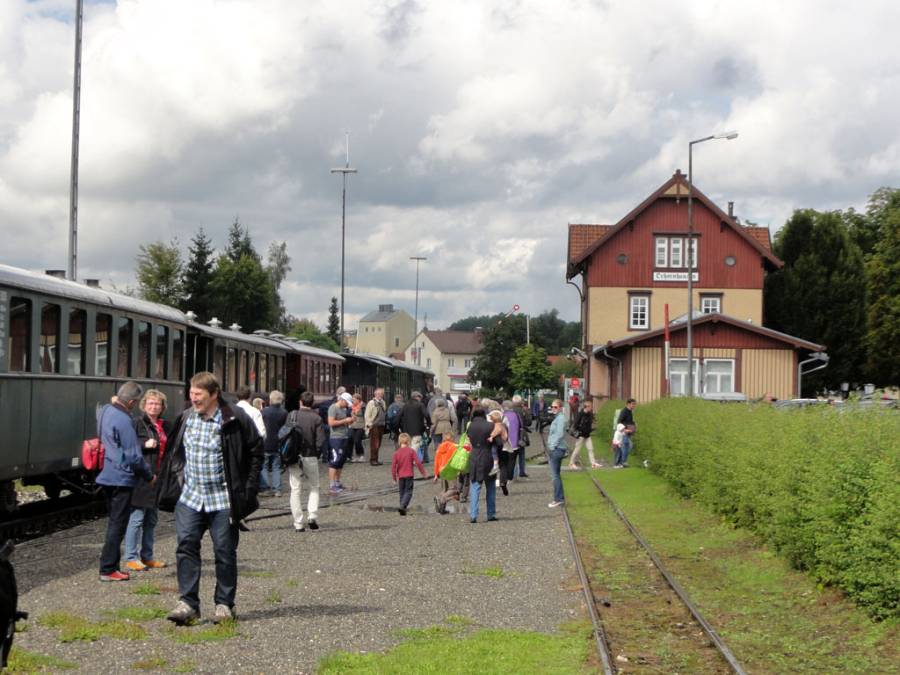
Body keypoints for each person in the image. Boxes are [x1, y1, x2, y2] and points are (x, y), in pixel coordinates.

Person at [159, 372, 263, 625]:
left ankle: (224, 605)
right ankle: (188, 604)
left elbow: (256, 452)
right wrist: (173, 482)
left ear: (214, 394)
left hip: (223, 500)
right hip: (191, 497)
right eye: (191, 394)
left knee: (225, 552)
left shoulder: (235, 419)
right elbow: (174, 452)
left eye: (198, 395)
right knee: (185, 547)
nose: (193, 399)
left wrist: (247, 490)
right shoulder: (185, 418)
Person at [96, 382, 155, 582]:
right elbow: (133, 456)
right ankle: (108, 568)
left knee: (114, 521)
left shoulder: (105, 411)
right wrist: (148, 476)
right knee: (118, 524)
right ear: (131, 401)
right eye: (135, 402)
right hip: (121, 477)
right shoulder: (124, 419)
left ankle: (108, 565)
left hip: (106, 474)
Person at [124, 389, 170, 572]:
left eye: (157, 404)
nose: (154, 406)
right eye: (150, 403)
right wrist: (144, 444)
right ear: (144, 405)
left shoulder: (164, 425)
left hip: (158, 476)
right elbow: (126, 446)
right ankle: (131, 557)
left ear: (162, 407)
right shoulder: (137, 423)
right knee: (136, 518)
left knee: (152, 519)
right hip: (141, 477)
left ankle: (148, 556)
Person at [285, 391, 325, 531]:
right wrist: (316, 454)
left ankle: (298, 523)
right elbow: (320, 441)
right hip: (310, 456)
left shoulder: (292, 415)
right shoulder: (316, 418)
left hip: (294, 457)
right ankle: (312, 516)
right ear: (312, 403)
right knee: (314, 486)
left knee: (295, 489)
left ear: (300, 402)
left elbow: (285, 435)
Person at [467, 407, 498, 523]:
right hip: (487, 456)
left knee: (475, 486)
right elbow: (496, 441)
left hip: (474, 456)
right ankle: (491, 514)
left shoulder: (470, 426)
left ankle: (473, 515)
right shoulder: (490, 425)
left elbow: (470, 439)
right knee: (490, 486)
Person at [391, 433, 426, 516]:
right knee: (408, 492)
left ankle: (402, 507)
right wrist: (423, 473)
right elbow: (418, 463)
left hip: (401, 476)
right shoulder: (411, 451)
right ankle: (403, 506)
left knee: (402, 492)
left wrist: (394, 478)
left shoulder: (396, 453)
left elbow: (393, 467)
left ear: (399, 442)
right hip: (409, 475)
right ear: (408, 441)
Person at [260, 390, 288, 497]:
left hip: (265, 443)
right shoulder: (284, 412)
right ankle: (277, 489)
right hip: (277, 444)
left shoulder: (264, 412)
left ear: (270, 400)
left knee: (264, 467)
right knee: (276, 467)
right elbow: (285, 429)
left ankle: (266, 487)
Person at [327, 392, 354, 494]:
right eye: (346, 403)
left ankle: (337, 482)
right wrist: (345, 420)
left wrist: (351, 420)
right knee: (335, 460)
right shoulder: (333, 408)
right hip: (336, 438)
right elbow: (331, 423)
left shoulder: (344, 409)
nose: (347, 405)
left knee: (341, 461)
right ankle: (332, 484)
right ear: (342, 400)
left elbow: (345, 421)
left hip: (344, 436)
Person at [547, 399, 568, 508]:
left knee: (555, 475)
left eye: (555, 407)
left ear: (560, 408)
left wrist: (552, 446)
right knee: (556, 474)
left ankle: (558, 499)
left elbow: (559, 434)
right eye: (552, 407)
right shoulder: (559, 418)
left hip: (557, 449)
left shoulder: (560, 419)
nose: (553, 409)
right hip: (558, 448)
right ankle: (559, 498)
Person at [567, 399, 600, 470]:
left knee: (591, 449)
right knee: (577, 450)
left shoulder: (590, 414)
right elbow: (575, 424)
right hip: (581, 436)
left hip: (587, 435)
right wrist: (580, 431)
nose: (591, 408)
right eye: (590, 407)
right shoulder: (580, 414)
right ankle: (571, 463)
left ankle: (593, 463)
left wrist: (593, 427)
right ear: (587, 407)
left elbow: (592, 422)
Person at [399, 391, 429, 463]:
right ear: (417, 397)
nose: (420, 399)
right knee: (415, 445)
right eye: (420, 397)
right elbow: (427, 415)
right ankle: (411, 460)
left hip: (406, 429)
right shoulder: (420, 405)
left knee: (408, 445)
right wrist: (429, 424)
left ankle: (407, 459)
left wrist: (398, 426)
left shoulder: (405, 405)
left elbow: (399, 416)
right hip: (417, 430)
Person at [364, 388, 387, 466]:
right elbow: (367, 415)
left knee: (379, 443)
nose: (380, 395)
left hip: (381, 425)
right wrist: (368, 425)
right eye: (379, 394)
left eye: (381, 394)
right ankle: (373, 460)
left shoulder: (383, 402)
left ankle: (376, 459)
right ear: (375, 394)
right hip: (374, 425)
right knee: (374, 443)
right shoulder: (371, 403)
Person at [511, 395, 531, 479]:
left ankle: (513, 473)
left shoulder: (510, 411)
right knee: (521, 454)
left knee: (512, 455)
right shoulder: (523, 410)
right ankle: (521, 471)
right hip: (521, 434)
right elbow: (529, 422)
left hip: (511, 434)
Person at [616, 398, 637, 467]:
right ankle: (623, 462)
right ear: (628, 404)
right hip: (624, 432)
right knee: (627, 446)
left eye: (635, 404)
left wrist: (634, 424)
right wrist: (625, 429)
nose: (634, 406)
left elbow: (628, 421)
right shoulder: (624, 411)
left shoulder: (630, 411)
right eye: (633, 404)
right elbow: (619, 421)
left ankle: (621, 461)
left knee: (627, 446)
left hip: (628, 432)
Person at [349, 393, 366, 463]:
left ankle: (361, 455)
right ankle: (355, 455)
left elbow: (366, 416)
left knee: (357, 440)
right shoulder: (352, 406)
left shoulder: (363, 406)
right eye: (352, 400)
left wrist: (366, 426)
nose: (353, 401)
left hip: (360, 426)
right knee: (351, 440)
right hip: (353, 425)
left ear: (359, 400)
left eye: (354, 400)